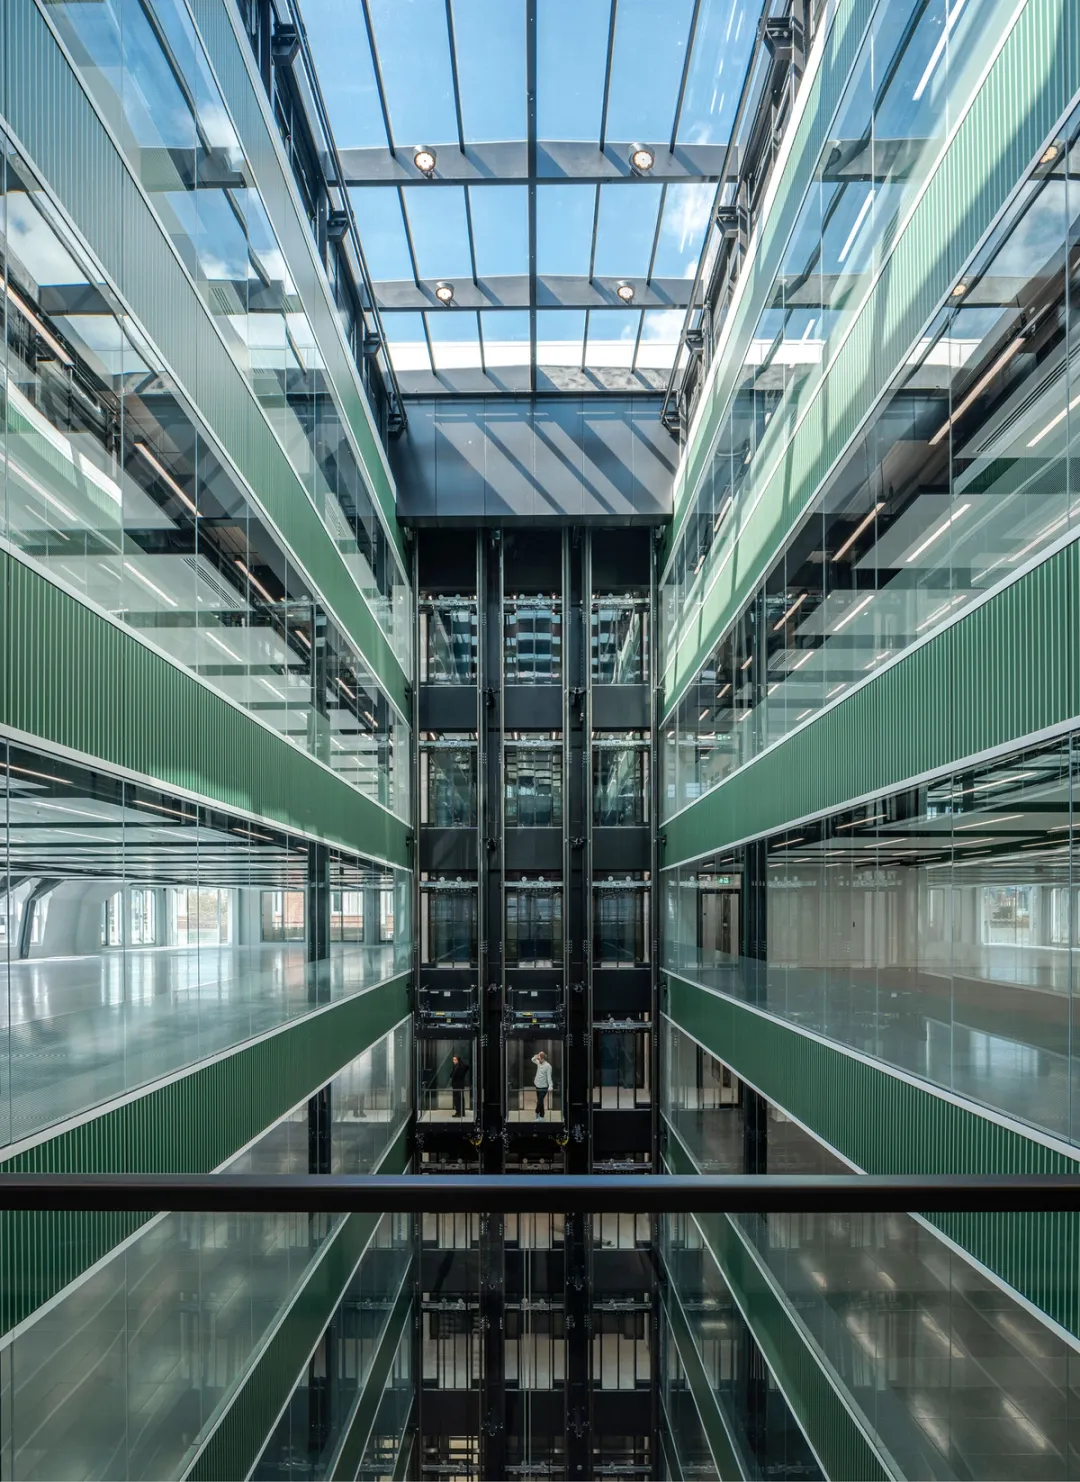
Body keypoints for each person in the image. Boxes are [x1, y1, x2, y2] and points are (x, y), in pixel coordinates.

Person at [531, 1050, 553, 1119]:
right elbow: (532, 1059)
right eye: (538, 1058)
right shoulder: (538, 1062)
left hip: (544, 1087)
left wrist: (550, 1086)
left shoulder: (548, 1066)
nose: (538, 1059)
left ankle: (537, 1113)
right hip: (537, 1085)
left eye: (540, 1058)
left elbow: (549, 1077)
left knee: (539, 1101)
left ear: (543, 1058)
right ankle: (542, 1116)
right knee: (541, 1102)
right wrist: (537, 1056)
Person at [449, 1054, 470, 1118]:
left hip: (458, 1085)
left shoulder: (459, 1067)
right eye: (453, 1060)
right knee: (460, 1098)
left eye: (455, 1060)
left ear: (458, 1060)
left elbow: (453, 1076)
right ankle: (461, 1112)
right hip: (459, 1084)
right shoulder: (458, 1067)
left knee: (457, 1099)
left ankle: (459, 1112)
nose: (453, 1061)